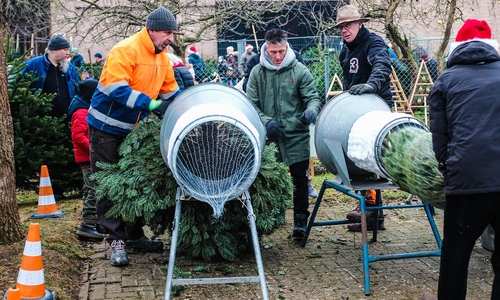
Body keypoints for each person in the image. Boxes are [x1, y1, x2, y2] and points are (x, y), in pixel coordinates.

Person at [87, 6, 181, 267]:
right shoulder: (125, 50)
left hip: (133, 131)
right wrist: (152, 106)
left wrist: (184, 111)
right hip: (106, 128)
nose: (171, 38)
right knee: (108, 183)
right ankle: (116, 240)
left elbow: (170, 94)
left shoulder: (163, 58)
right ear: (151, 30)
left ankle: (134, 234)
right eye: (167, 33)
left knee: (135, 181)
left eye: (173, 33)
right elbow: (117, 89)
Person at [424, 19, 500, 300]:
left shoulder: (445, 80)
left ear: (458, 47)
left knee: (455, 257)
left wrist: (447, 165)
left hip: (466, 182)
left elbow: (439, 135)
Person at [246, 28, 322, 239]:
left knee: (299, 179)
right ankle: (269, 220)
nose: (278, 56)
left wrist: (311, 111)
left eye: (281, 51)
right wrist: (266, 121)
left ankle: (300, 223)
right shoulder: (257, 73)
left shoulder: (300, 71)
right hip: (269, 137)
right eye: (273, 52)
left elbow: (313, 98)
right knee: (270, 180)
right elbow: (251, 104)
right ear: (266, 49)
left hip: (296, 133)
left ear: (287, 47)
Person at [335, 4, 392, 232]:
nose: (344, 30)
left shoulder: (374, 43)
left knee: (371, 158)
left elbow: (382, 65)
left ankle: (372, 211)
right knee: (359, 156)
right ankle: (367, 207)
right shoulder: (346, 50)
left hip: (376, 109)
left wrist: (371, 85)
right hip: (357, 111)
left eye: (347, 25)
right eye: (341, 27)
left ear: (360, 24)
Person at [23, 34, 81, 199]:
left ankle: (65, 186)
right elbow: (21, 83)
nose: (67, 52)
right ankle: (52, 189)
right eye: (65, 49)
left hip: (66, 117)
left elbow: (77, 87)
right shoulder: (34, 65)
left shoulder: (69, 68)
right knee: (48, 154)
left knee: (65, 151)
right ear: (55, 50)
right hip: (44, 120)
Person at [68, 79, 106, 241]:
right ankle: (87, 225)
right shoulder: (81, 112)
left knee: (92, 188)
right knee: (92, 189)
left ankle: (94, 221)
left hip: (90, 156)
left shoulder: (86, 109)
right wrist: (93, 148)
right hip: (87, 158)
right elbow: (77, 136)